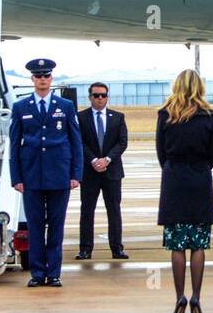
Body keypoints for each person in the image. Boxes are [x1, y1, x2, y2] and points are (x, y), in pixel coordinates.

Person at [8, 58, 81, 288]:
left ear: (52, 78)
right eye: (38, 76)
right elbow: (14, 144)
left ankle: (54, 273)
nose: (42, 80)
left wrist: (76, 173)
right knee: (35, 226)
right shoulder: (21, 107)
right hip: (31, 176)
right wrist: (16, 177)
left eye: (46, 76)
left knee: (57, 226)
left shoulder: (65, 106)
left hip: (59, 174)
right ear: (32, 79)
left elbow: (75, 141)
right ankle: (38, 273)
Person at [156, 69, 213, 313]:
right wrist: (200, 168)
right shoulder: (208, 116)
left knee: (176, 245)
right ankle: (196, 296)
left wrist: (173, 168)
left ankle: (179, 296)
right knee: (198, 244)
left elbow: (161, 152)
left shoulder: (166, 115)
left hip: (174, 181)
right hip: (200, 181)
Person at [76, 82, 128, 260]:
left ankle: (117, 248)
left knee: (114, 210)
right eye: (96, 95)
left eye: (103, 95)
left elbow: (122, 142)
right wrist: (93, 160)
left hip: (112, 171)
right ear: (90, 97)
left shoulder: (118, 117)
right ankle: (85, 248)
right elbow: (79, 142)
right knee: (87, 211)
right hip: (90, 172)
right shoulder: (80, 117)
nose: (100, 99)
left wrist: (107, 160)